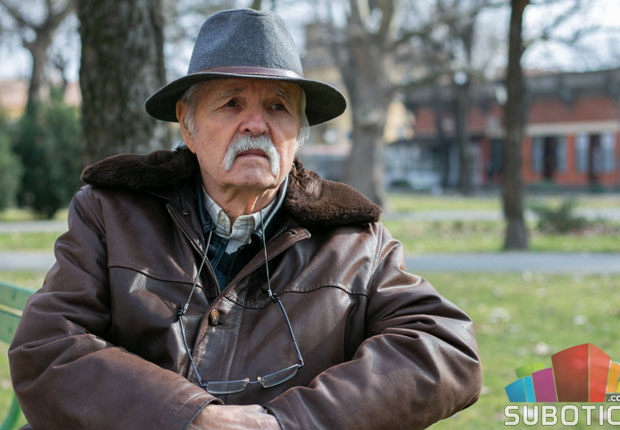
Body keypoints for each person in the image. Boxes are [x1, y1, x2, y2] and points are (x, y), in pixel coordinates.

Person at [9, 8, 482, 430]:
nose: (257, 124)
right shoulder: (112, 213)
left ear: (298, 133)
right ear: (188, 124)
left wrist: (287, 423)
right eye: (232, 103)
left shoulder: (355, 241)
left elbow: (447, 350)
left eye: (278, 107)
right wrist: (190, 418)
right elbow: (46, 348)